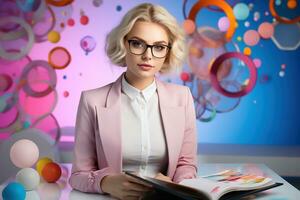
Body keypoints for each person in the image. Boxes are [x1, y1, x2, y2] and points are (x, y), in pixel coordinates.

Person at [69, 3, 198, 200]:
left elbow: (186, 164)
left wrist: (176, 186)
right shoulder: (92, 100)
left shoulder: (183, 98)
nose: (148, 55)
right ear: (123, 43)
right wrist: (105, 182)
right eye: (138, 43)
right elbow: (78, 175)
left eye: (159, 47)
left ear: (168, 52)